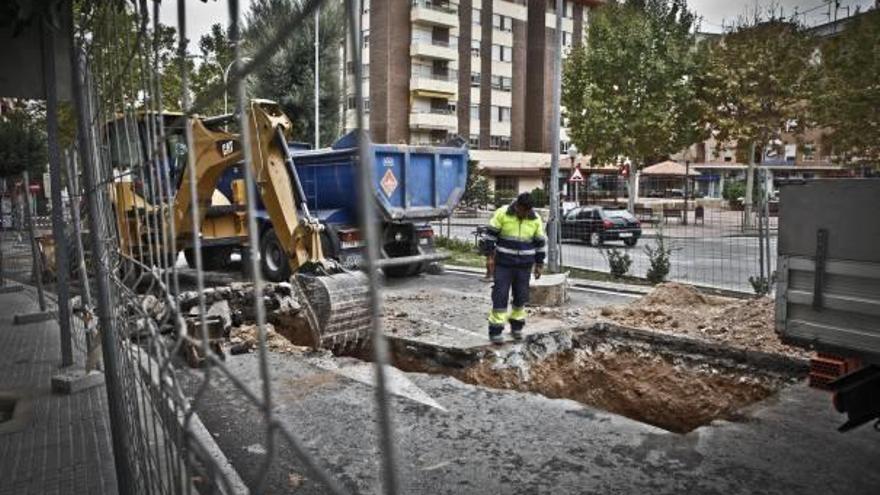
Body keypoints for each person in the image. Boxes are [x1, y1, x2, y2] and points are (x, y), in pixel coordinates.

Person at [483, 192, 546, 344]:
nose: (524, 214)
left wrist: (539, 264)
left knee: (521, 296)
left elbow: (540, 244)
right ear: (517, 205)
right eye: (522, 210)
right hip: (504, 264)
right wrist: (490, 257)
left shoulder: (535, 219)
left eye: (527, 211)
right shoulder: (502, 213)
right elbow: (490, 237)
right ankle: (496, 330)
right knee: (500, 295)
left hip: (524, 265)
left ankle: (517, 327)